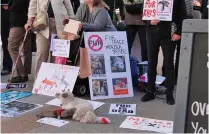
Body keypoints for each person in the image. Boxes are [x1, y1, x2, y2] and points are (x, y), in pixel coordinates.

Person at [141, 0, 187, 105]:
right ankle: (150, 91)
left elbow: (183, 15)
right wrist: (149, 21)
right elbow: (143, 12)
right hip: (151, 32)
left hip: (169, 34)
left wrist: (178, 32)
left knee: (169, 64)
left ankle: (169, 93)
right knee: (151, 63)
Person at [25, 0, 74, 78]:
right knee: (42, 53)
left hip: (61, 24)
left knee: (57, 55)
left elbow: (69, 7)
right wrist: (29, 21)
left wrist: (72, 23)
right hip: (42, 25)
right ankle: (38, 81)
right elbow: (32, 6)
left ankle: (55, 81)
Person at [6, 0, 31, 83]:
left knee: (12, 47)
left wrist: (8, 6)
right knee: (26, 49)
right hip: (24, 21)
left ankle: (22, 74)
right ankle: (25, 73)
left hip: (19, 23)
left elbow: (18, 5)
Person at [1, 6, 12, 76]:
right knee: (5, 42)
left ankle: (22, 69)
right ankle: (7, 66)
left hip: (17, 10)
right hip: (3, 10)